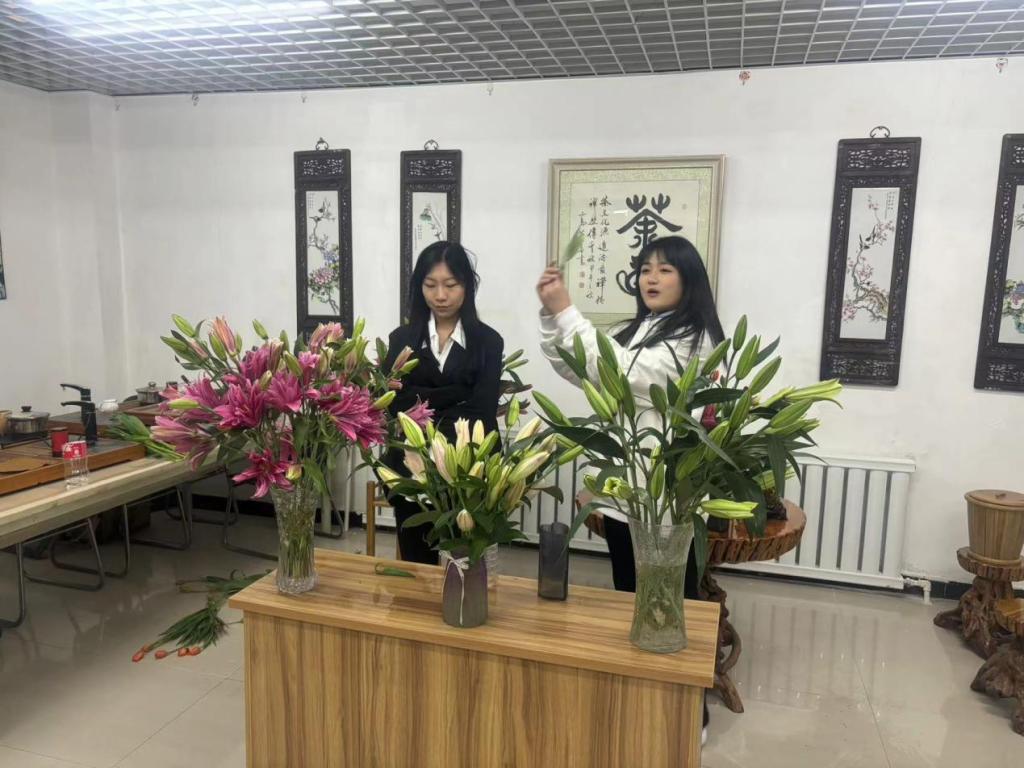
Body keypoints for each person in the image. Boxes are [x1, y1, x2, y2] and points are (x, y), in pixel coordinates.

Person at [536, 234, 724, 743]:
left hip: (668, 497)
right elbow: (581, 367)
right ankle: (644, 700)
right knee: (631, 599)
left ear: (689, 279)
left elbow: (632, 375)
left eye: (664, 269)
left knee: (672, 603)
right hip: (628, 493)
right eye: (644, 269)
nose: (650, 278)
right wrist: (552, 317)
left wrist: (569, 311)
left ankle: (690, 715)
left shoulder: (695, 339)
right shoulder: (638, 329)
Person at [382, 241, 504, 564]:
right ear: (418, 287)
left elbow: (481, 413)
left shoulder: (488, 342)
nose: (440, 295)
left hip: (469, 471)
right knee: (417, 567)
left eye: (451, 285)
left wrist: (423, 402)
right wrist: (456, 394)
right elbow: (396, 406)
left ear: (467, 285)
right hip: (411, 470)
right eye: (430, 285)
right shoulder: (401, 340)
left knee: (465, 567)